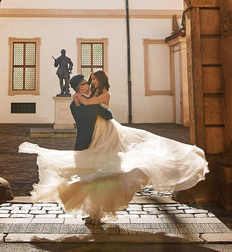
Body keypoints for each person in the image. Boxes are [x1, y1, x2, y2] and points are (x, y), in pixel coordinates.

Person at [19, 70, 208, 223]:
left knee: (107, 170)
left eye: (91, 80)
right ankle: (94, 210)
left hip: (108, 135)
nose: (90, 83)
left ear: (98, 82)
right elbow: (86, 115)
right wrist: (79, 99)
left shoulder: (95, 96)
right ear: (80, 86)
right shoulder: (80, 100)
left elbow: (104, 114)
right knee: (97, 172)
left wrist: (81, 98)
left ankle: (96, 210)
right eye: (87, 82)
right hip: (95, 137)